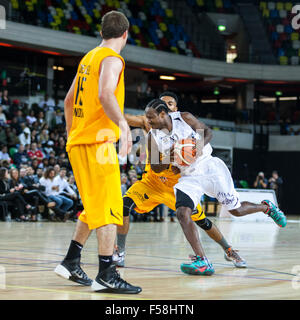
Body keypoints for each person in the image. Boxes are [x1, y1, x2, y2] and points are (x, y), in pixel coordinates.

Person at [145, 99, 287, 274]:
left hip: (209, 167)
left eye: (150, 117)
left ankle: (266, 207)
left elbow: (208, 133)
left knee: (236, 210)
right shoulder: (152, 136)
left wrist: (192, 150)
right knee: (182, 212)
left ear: (162, 114)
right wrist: (170, 157)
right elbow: (154, 166)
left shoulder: (184, 118)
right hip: (188, 177)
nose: (148, 121)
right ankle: (202, 261)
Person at [54, 11, 141, 294]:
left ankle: (71, 260)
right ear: (125, 34)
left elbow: (68, 100)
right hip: (98, 142)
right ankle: (106, 273)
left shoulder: (88, 57)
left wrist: (71, 133)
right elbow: (105, 94)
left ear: (102, 32)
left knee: (94, 205)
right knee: (109, 209)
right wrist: (124, 128)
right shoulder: (113, 59)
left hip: (79, 141)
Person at [114, 92, 246, 272]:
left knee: (203, 221)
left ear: (173, 109)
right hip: (152, 182)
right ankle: (119, 252)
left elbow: (205, 136)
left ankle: (228, 249)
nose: (165, 105)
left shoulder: (184, 123)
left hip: (177, 186)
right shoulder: (151, 125)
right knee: (124, 205)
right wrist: (107, 108)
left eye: (170, 103)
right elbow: (125, 118)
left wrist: (189, 155)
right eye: (162, 103)